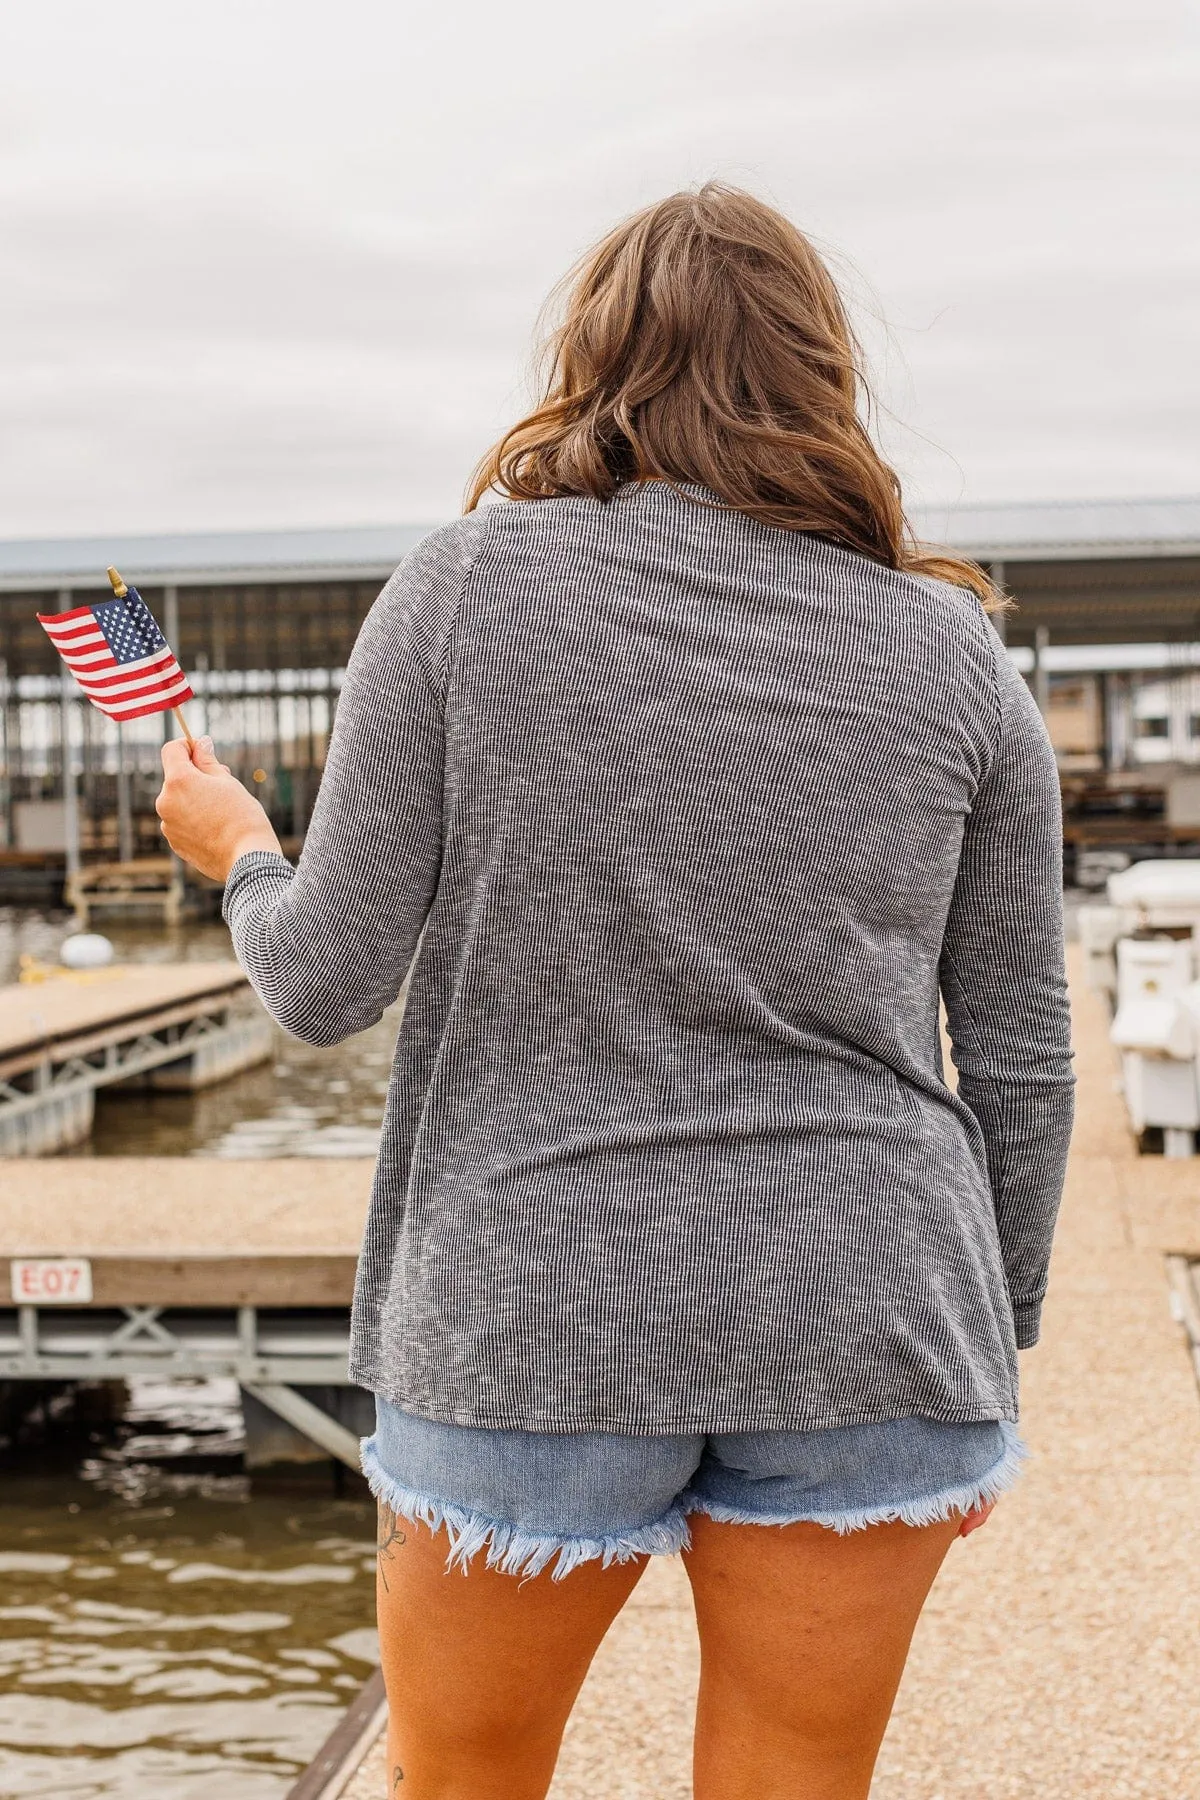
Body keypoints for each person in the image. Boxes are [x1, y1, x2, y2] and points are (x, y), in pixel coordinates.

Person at [157, 182, 1075, 1800]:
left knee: (466, 1777)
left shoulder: (461, 593)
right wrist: (987, 1349)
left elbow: (320, 982)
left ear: (594, 367)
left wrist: (238, 850)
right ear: (820, 378)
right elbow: (1022, 1060)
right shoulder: (954, 655)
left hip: (538, 1305)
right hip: (870, 1310)